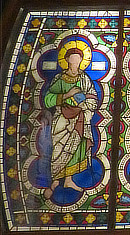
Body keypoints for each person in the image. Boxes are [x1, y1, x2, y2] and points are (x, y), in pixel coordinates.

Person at [42, 40, 98, 199]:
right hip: (62, 119)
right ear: (66, 60)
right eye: (72, 58)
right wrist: (67, 95)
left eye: (78, 58)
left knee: (76, 149)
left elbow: (93, 97)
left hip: (79, 118)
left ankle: (68, 180)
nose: (75, 61)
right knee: (59, 149)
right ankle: (55, 180)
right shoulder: (59, 78)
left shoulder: (85, 78)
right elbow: (48, 99)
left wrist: (85, 104)